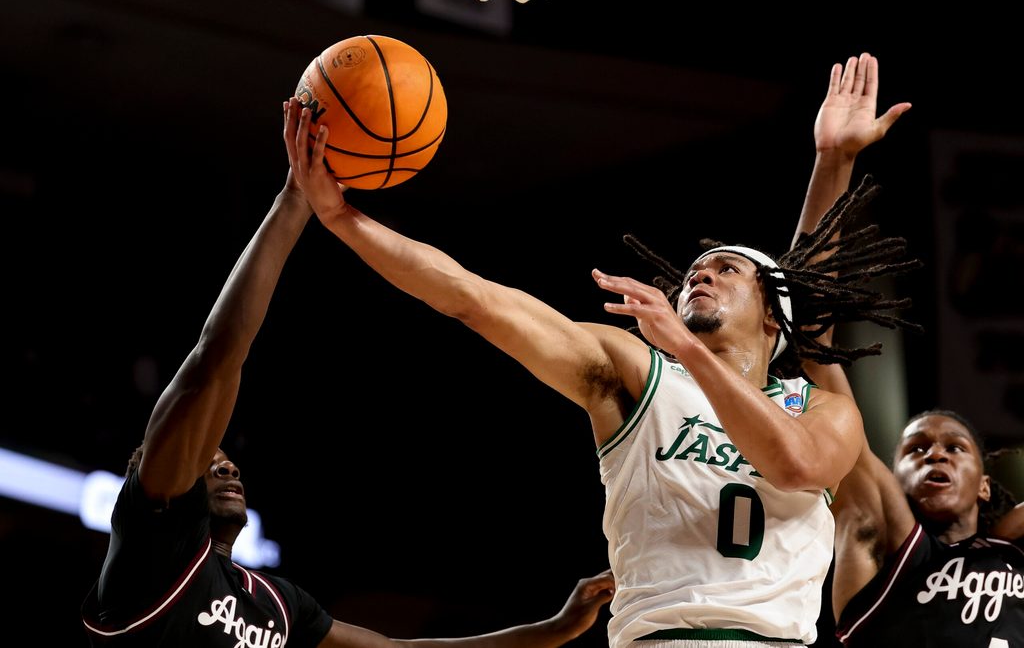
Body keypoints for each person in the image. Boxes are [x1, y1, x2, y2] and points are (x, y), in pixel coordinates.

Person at [285, 50, 919, 647]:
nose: (700, 275)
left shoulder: (823, 412)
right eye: (695, 270)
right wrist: (343, 220)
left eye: (727, 269)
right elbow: (471, 297)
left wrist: (832, 161)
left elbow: (796, 466)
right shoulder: (637, 376)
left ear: (775, 321)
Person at [80, 99, 616, 648]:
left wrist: (553, 630)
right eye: (207, 461)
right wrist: (293, 200)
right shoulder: (152, 541)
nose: (226, 467)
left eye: (224, 458)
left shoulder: (276, 606)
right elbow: (217, 357)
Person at [789, 59, 1024, 647]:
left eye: (954, 447)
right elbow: (811, 343)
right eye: (916, 448)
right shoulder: (880, 528)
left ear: (986, 484)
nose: (934, 456)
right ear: (894, 474)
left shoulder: (1011, 551)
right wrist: (833, 162)